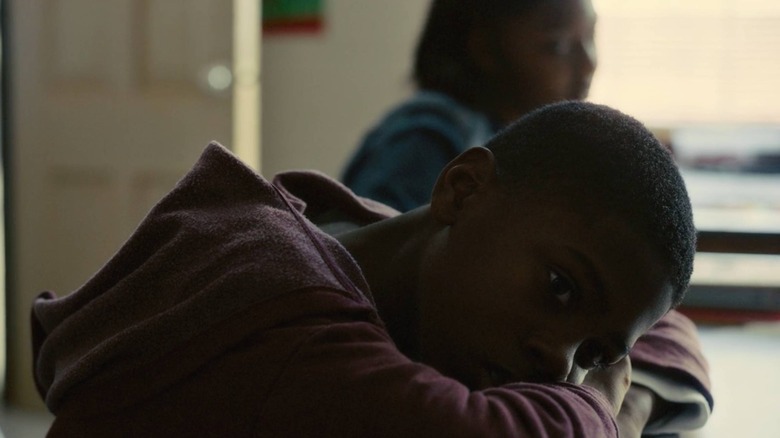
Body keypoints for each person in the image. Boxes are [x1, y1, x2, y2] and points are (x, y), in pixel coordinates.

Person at [32, 102, 711, 437]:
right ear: (462, 190)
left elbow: (667, 329)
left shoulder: (375, 239)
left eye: (591, 353)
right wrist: (601, 406)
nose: (556, 359)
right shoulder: (282, 310)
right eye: (560, 289)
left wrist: (626, 380)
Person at [342, 0, 599, 212]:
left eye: (590, 37)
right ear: (484, 45)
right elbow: (373, 261)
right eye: (559, 45)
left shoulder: (519, 141)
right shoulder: (428, 135)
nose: (589, 64)